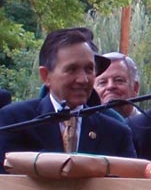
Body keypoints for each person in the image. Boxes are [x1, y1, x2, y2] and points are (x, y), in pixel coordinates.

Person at [0, 28, 136, 173]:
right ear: (46, 75)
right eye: (72, 69)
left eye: (89, 69)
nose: (83, 79)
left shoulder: (116, 132)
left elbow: (129, 187)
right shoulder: (15, 121)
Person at [94, 52, 140, 118]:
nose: (110, 86)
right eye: (102, 82)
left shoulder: (150, 126)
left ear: (135, 88)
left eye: (119, 80)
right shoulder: (83, 127)